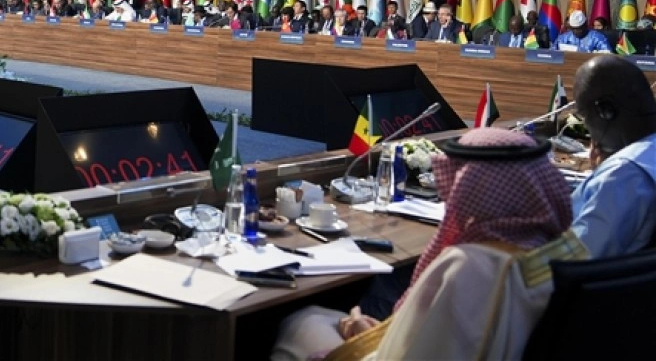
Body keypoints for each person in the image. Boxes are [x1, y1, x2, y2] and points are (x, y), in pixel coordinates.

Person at [272, 128, 585, 361]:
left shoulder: (470, 265)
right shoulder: (566, 249)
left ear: (473, 188)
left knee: (302, 321)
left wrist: (359, 330)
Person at [568, 54, 656, 258]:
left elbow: (575, 257)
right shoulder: (636, 163)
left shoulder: (623, 173)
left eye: (585, 116)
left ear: (606, 111)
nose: (588, 128)